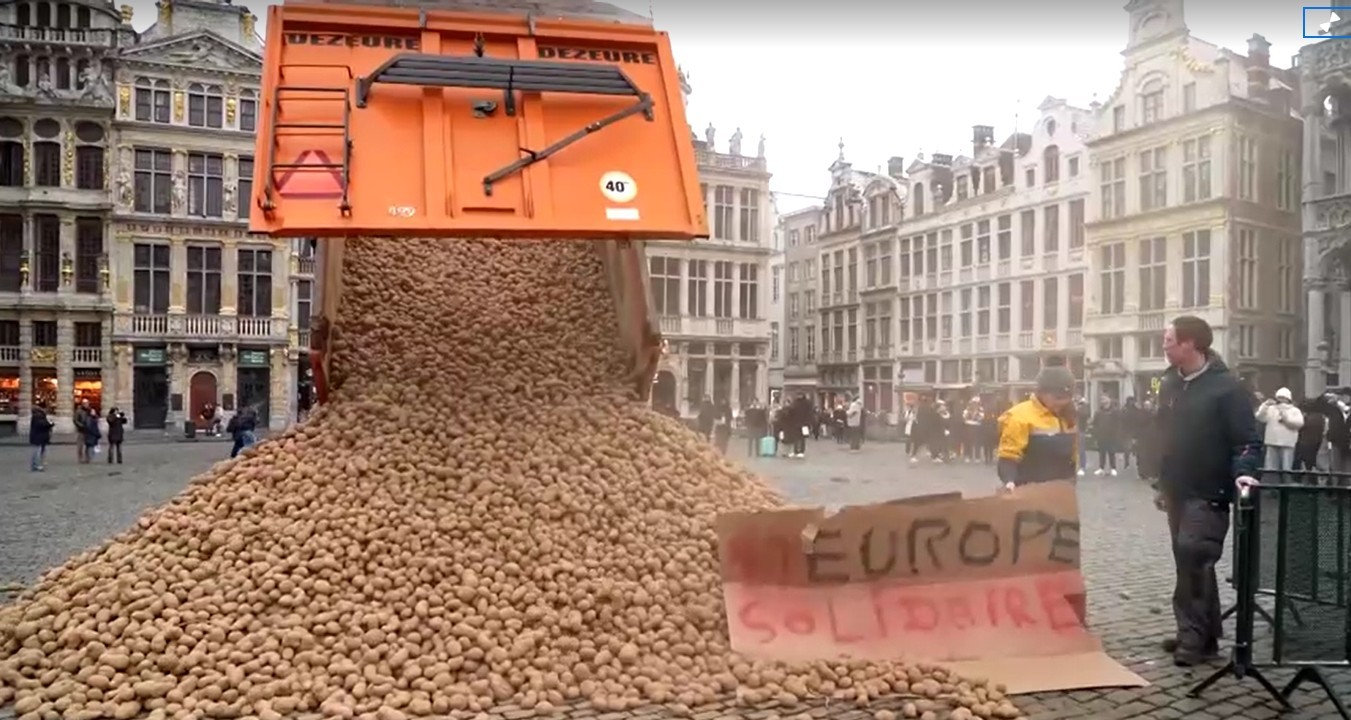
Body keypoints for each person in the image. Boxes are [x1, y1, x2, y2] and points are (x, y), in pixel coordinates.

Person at [1150, 315, 1261, 667]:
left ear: (1190, 344)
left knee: (1194, 553)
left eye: (1169, 341)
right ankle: (1206, 634)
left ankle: (1192, 638)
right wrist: (1161, 480)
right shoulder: (1169, 382)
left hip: (1210, 489)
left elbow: (1246, 441)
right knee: (1190, 561)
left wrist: (1243, 474)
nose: (1164, 346)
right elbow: (1164, 434)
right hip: (1177, 489)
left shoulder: (1228, 389)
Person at [995, 366, 1079, 492]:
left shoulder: (1068, 415)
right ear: (1041, 393)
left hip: (1062, 492)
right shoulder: (1019, 416)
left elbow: (1073, 454)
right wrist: (1009, 481)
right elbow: (1008, 456)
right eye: (1057, 398)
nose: (1062, 402)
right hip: (1029, 492)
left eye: (1067, 397)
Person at [1256, 387, 1304, 473]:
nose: (1280, 400)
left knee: (1286, 468)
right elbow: (1260, 417)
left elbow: (1299, 424)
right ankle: (1271, 481)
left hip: (1287, 443)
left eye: (1283, 398)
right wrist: (1265, 405)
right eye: (1279, 397)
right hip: (1272, 441)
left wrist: (1286, 420)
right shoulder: (1271, 409)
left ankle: (1286, 480)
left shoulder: (1294, 410)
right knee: (1270, 468)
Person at [1091, 396, 1122, 477]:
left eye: (1105, 399)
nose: (1103, 401)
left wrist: (1117, 434)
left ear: (1109, 401)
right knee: (1102, 452)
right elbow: (1095, 424)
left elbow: (1118, 423)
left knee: (1112, 452)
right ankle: (1101, 468)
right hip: (1101, 435)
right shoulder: (1098, 412)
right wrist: (1096, 434)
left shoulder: (1114, 411)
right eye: (1102, 400)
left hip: (1111, 435)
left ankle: (1113, 468)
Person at [29, 402, 53, 472]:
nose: (47, 410)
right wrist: (50, 424)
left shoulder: (39, 414)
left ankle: (37, 464)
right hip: (38, 436)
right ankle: (36, 465)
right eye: (47, 408)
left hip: (40, 435)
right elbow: (41, 424)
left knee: (39, 450)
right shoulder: (38, 415)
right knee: (37, 451)